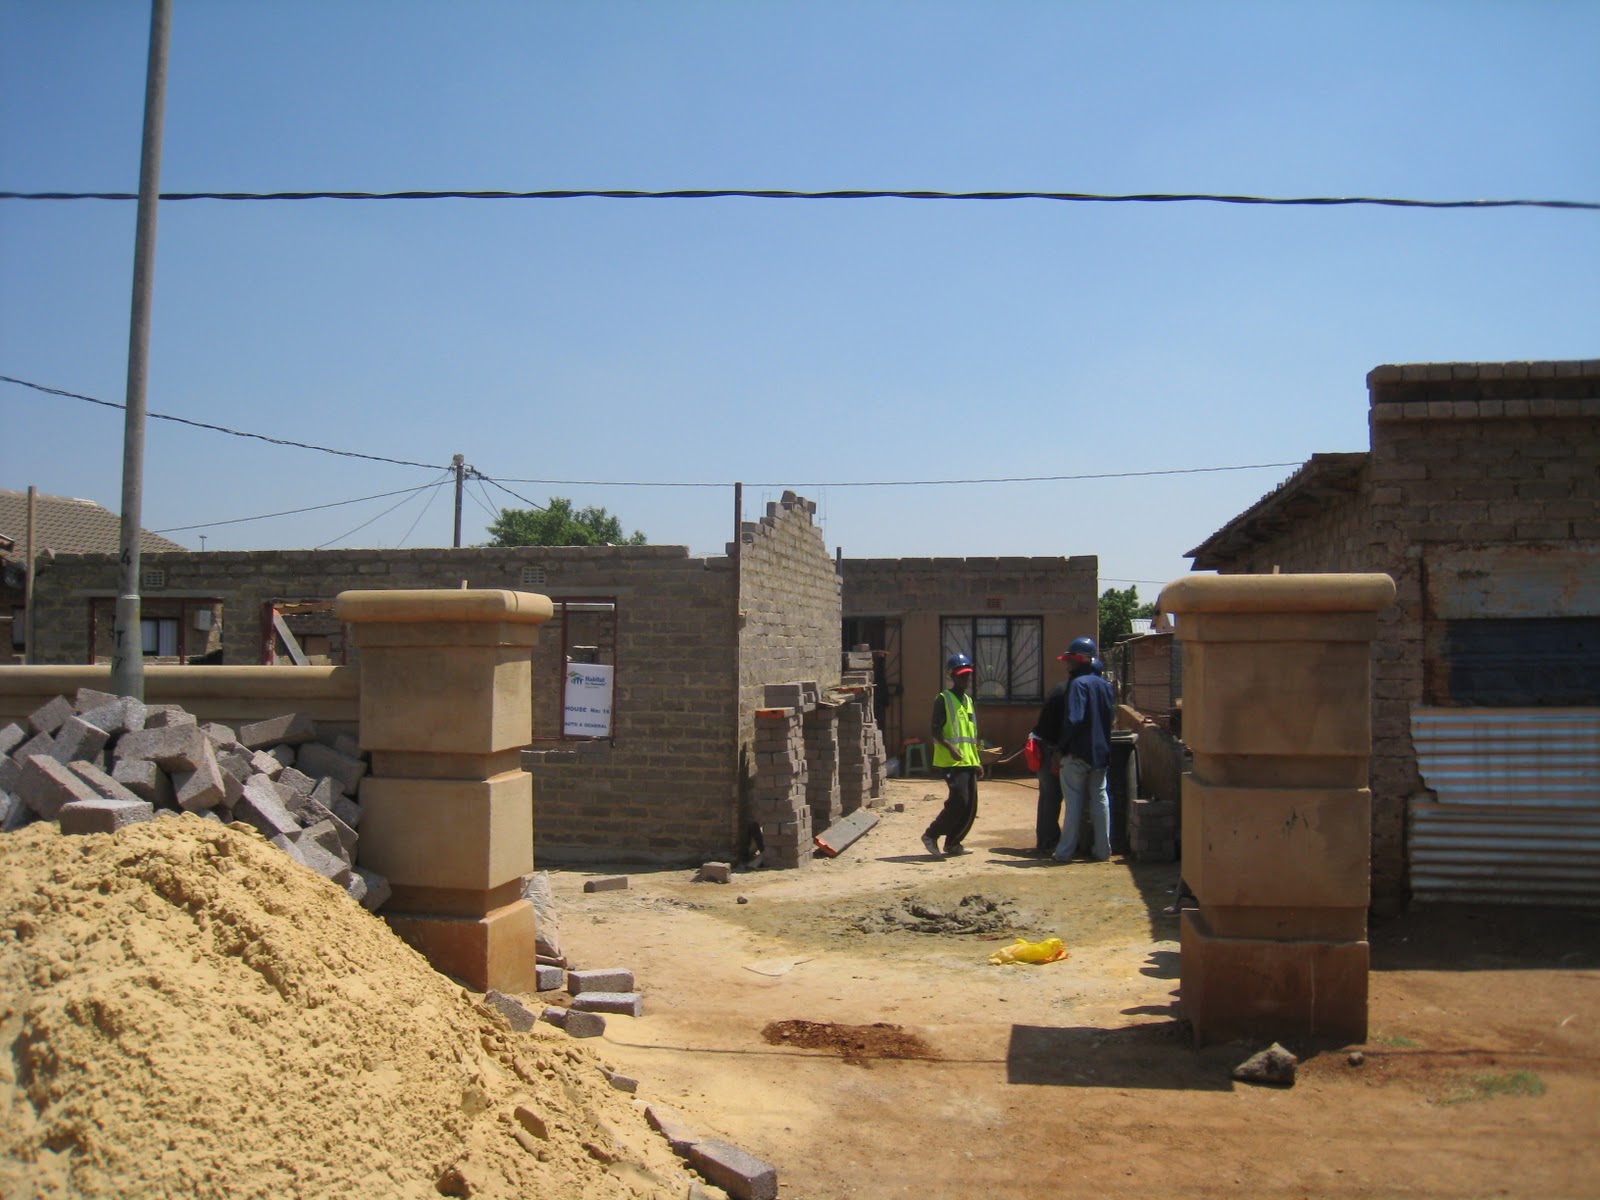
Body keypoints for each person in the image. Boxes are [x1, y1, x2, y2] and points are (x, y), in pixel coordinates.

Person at [1051, 636, 1116, 863]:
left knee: (1074, 805)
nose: (1067, 664)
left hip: (1077, 754)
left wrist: (1061, 747)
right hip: (1101, 754)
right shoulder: (1105, 686)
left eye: (1070, 659)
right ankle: (1102, 850)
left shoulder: (1078, 684)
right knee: (1100, 801)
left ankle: (1064, 852)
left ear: (1081, 660)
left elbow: (1074, 719)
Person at [921, 652, 981, 857]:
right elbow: (935, 731)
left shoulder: (968, 701)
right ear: (952, 677)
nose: (965, 679)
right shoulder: (943, 699)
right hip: (951, 761)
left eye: (967, 676)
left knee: (970, 806)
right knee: (959, 801)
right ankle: (931, 834)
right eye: (961, 676)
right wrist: (951, 748)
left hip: (968, 761)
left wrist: (977, 760)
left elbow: (970, 735)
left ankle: (953, 843)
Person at [1028, 677, 1068, 856]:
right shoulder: (1070, 692)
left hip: (1041, 744)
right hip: (1048, 748)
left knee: (1047, 794)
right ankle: (1049, 841)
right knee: (1052, 794)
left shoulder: (1060, 688)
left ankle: (1044, 840)